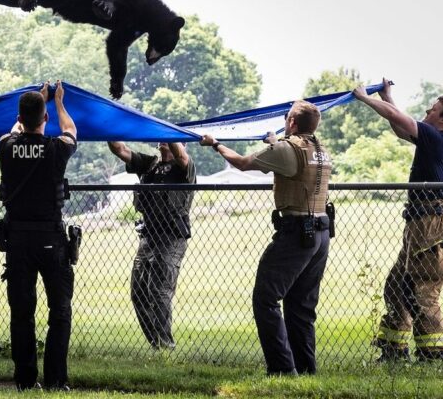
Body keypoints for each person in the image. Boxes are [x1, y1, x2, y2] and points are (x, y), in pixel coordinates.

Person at [200, 100, 332, 376]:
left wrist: (215, 143)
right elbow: (287, 154)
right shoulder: (319, 149)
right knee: (301, 306)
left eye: (287, 118)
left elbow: (242, 163)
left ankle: (283, 369)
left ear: (292, 122)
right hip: (320, 232)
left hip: (296, 232)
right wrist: (276, 141)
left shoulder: (286, 149)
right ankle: (306, 369)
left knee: (266, 298)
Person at [354, 80, 443, 362]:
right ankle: (394, 351)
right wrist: (387, 96)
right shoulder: (430, 138)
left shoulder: (435, 137)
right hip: (419, 222)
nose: (428, 110)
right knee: (397, 285)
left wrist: (363, 99)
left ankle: (433, 355)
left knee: (421, 290)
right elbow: (399, 127)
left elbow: (396, 117)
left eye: (434, 109)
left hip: (431, 224)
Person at [0, 81, 77, 391]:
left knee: (21, 313)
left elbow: (13, 130)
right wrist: (58, 102)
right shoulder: (56, 149)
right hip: (51, 241)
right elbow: (71, 130)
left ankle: (25, 381)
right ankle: (56, 380)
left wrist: (40, 99)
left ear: (20, 116)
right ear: (45, 119)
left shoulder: (6, 145)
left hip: (17, 242)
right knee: (59, 311)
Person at [106, 140, 194, 350]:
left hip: (171, 237)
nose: (163, 140)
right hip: (148, 237)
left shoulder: (185, 168)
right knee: (138, 292)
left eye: (171, 138)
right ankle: (156, 344)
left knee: (159, 291)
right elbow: (120, 149)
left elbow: (181, 156)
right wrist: (109, 125)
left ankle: (166, 345)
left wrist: (167, 132)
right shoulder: (150, 164)